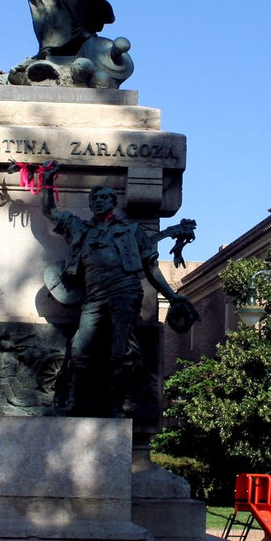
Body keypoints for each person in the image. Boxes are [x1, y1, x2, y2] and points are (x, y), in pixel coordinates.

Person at [40, 164, 193, 417]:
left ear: (112, 203)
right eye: (95, 199)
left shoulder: (132, 231)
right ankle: (73, 403)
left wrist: (172, 295)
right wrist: (46, 182)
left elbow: (151, 269)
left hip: (125, 293)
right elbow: (50, 211)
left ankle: (116, 406)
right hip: (94, 297)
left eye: (104, 198)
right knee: (79, 348)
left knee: (119, 351)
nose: (99, 202)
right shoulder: (80, 229)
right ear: (90, 205)